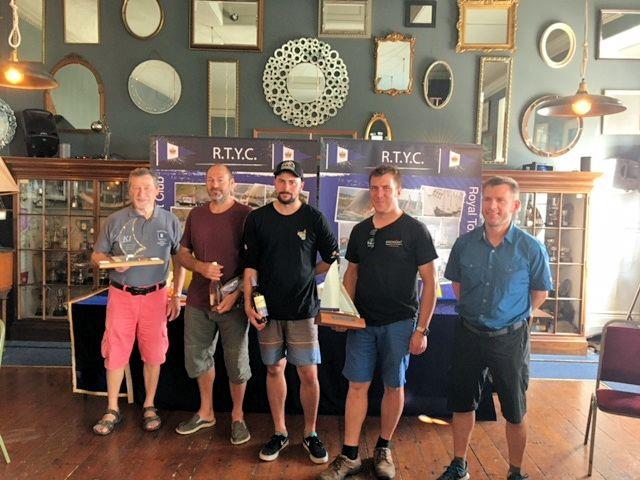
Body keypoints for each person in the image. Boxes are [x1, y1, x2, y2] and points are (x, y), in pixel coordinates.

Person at [319, 165, 438, 480]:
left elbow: (430, 281)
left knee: (393, 385)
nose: (380, 194)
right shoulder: (360, 231)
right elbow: (352, 274)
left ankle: (383, 448)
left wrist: (422, 329)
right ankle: (350, 455)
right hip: (363, 324)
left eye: (386, 188)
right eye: (374, 188)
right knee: (357, 385)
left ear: (399, 191)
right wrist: (344, 314)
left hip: (400, 323)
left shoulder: (415, 230)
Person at [437, 176, 552, 480]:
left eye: (500, 200)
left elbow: (541, 292)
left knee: (514, 409)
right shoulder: (464, 244)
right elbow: (458, 286)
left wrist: (519, 314)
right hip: (469, 334)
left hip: (510, 339)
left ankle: (515, 471)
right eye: (488, 199)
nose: (492, 206)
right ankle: (459, 464)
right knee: (463, 404)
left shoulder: (531, 249)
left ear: (514, 205)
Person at [243, 160, 338, 464]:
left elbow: (333, 259)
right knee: (274, 369)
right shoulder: (257, 219)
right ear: (275, 184)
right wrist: (248, 302)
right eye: (281, 181)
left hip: (303, 310)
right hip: (267, 310)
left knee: (308, 373)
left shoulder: (314, 218)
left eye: (292, 181)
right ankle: (280, 431)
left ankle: (310, 433)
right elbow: (250, 268)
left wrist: (310, 272)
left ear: (301, 186)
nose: (286, 187)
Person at [91, 167, 185, 435]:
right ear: (129, 190)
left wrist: (175, 295)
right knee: (115, 351)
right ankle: (112, 409)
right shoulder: (115, 220)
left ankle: (149, 405)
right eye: (135, 188)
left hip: (156, 297)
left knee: (154, 352)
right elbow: (96, 256)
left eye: (146, 188)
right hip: (121, 295)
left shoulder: (170, 222)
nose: (141, 193)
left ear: (157, 190)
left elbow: (182, 261)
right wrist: (111, 262)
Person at [174, 164, 253, 445]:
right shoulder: (196, 215)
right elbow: (183, 253)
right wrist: (200, 266)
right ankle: (206, 412)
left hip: (234, 302)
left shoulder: (246, 215)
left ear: (232, 183)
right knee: (198, 358)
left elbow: (256, 262)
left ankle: (238, 416)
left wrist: (238, 295)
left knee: (237, 362)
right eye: (210, 180)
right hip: (197, 300)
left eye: (220, 179)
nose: (214, 185)